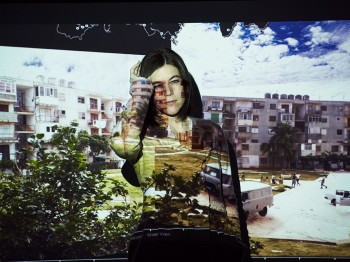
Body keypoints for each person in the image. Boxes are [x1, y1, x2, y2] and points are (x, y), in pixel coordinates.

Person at [110, 48, 249, 262]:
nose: (168, 92)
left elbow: (232, 200)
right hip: (154, 253)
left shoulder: (211, 132)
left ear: (185, 83)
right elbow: (124, 146)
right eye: (157, 86)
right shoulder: (141, 134)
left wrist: (242, 254)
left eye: (174, 81)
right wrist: (138, 88)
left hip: (213, 253)